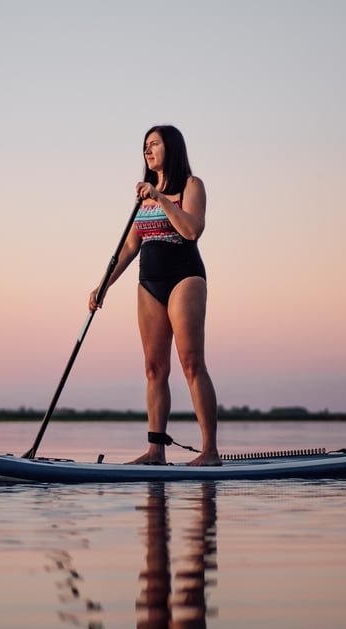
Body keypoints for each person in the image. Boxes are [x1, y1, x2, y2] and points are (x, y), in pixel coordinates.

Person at [90, 125, 221, 467]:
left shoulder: (191, 186)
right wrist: (103, 284)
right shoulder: (142, 197)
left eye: (154, 144)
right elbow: (130, 245)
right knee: (153, 369)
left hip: (185, 277)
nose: (147, 152)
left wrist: (160, 197)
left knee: (191, 362)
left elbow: (192, 229)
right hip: (148, 282)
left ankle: (210, 452)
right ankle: (155, 452)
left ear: (171, 148)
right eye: (144, 147)